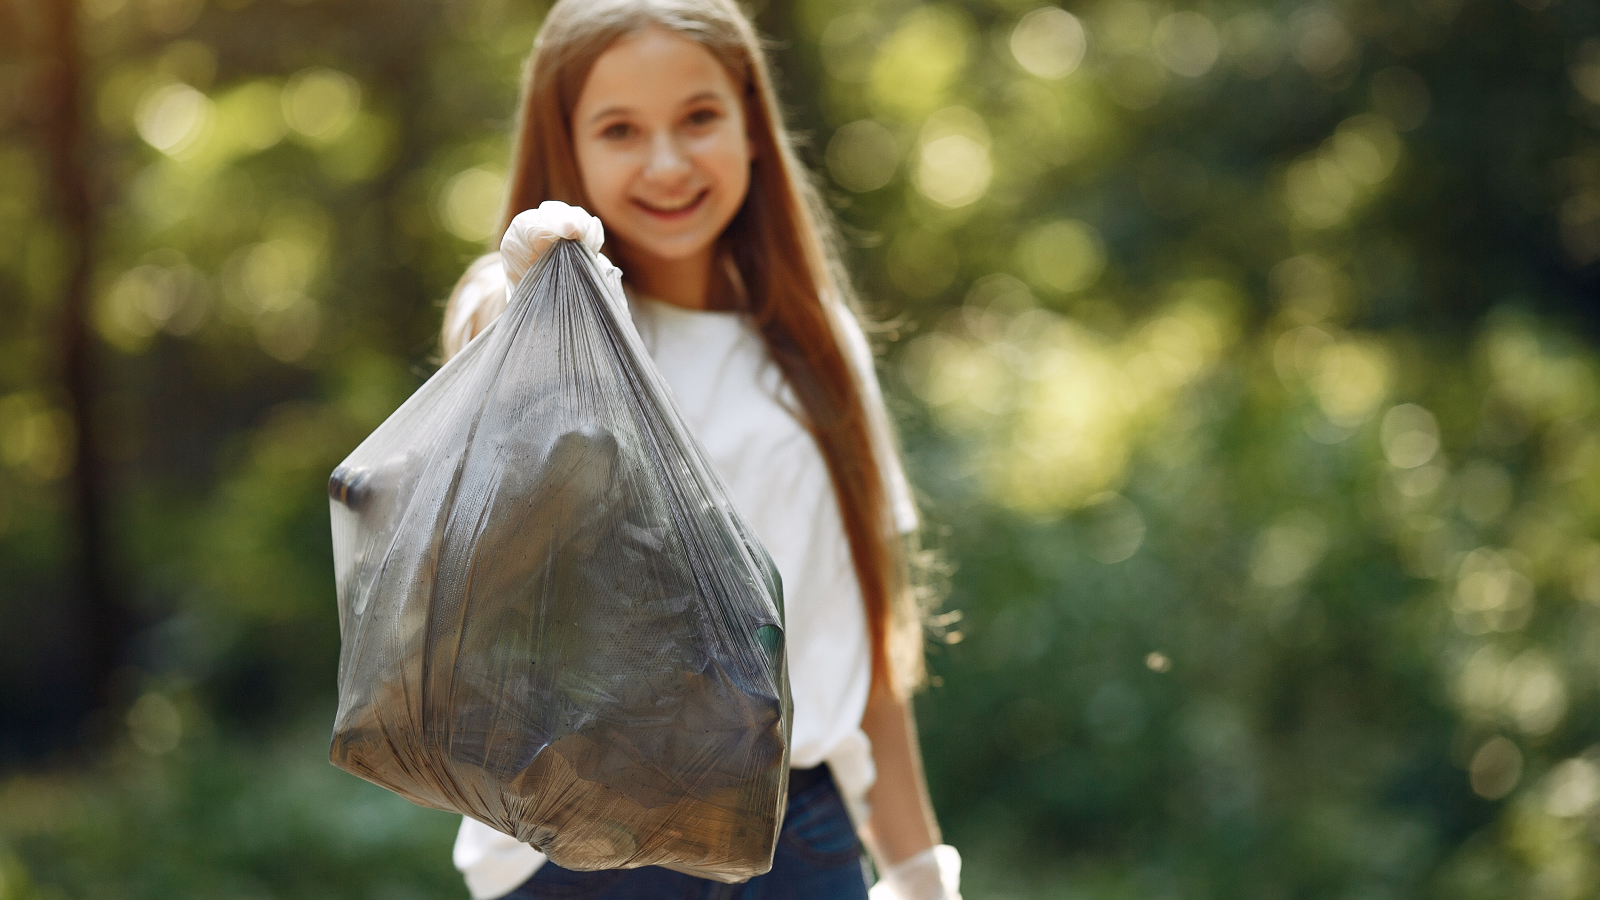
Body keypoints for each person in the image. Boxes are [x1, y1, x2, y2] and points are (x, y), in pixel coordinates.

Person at [438, 2, 960, 898]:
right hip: (589, 845)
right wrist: (531, 294)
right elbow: (481, 317)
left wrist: (919, 873)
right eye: (620, 129)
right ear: (568, 149)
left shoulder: (818, 347)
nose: (668, 163)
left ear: (753, 124)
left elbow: (863, 637)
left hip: (804, 838)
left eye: (699, 117)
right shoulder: (544, 324)